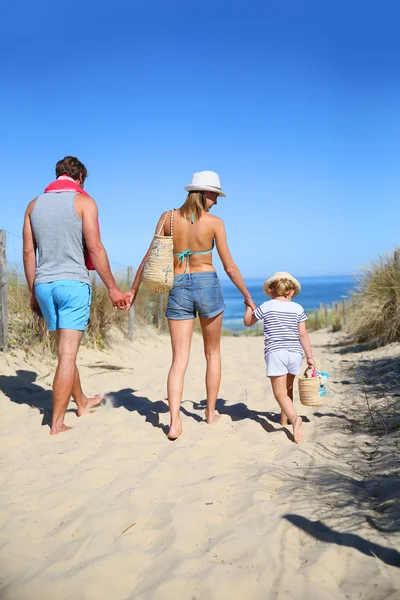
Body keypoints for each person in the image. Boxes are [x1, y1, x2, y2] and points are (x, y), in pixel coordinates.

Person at [128, 171, 255, 440]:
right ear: (204, 193)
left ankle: (174, 422)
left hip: (178, 285)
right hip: (207, 283)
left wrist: (133, 289)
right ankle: (210, 413)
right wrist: (247, 295)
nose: (217, 201)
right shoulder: (215, 223)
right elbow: (229, 267)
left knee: (179, 360)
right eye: (215, 195)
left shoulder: (168, 217)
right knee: (213, 353)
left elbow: (150, 256)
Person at [22, 156, 129, 435]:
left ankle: (80, 401)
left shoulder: (33, 206)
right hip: (72, 284)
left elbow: (28, 252)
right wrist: (113, 288)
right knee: (68, 355)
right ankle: (57, 423)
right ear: (80, 177)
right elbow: (95, 248)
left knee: (64, 351)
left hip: (44, 284)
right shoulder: (84, 203)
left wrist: (33, 290)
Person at [243, 271, 317, 443]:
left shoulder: (267, 306)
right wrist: (310, 357)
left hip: (276, 352)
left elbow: (248, 322)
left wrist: (249, 307)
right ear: (291, 291)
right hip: (295, 353)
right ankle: (284, 421)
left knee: (279, 392)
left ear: (271, 290)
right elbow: (303, 335)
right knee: (288, 390)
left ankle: (294, 419)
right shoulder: (298, 308)